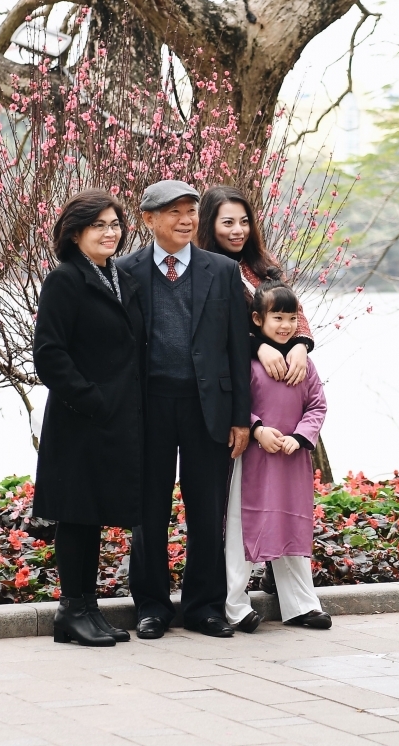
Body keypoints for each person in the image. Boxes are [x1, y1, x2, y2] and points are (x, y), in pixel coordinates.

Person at [116, 180, 251, 640]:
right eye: (173, 211)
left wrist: (241, 418)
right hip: (148, 407)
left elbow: (238, 349)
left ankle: (204, 607)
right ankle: (151, 607)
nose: (186, 219)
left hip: (206, 407)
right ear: (149, 220)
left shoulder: (222, 271)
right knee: (147, 511)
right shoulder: (124, 271)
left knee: (207, 510)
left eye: (191, 210)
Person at [32, 189, 145, 647]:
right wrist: (94, 401)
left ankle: (88, 608)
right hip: (80, 420)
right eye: (99, 225)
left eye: (115, 224)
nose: (110, 232)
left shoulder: (115, 276)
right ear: (76, 232)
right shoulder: (65, 279)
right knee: (76, 517)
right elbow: (49, 355)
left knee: (93, 516)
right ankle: (71, 610)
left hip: (112, 422)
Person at [225, 272, 331, 630]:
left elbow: (317, 406)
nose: (285, 326)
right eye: (277, 318)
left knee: (291, 524)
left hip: (291, 460)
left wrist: (300, 438)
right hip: (253, 459)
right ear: (257, 319)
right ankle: (235, 604)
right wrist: (257, 429)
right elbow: (236, 400)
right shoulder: (250, 362)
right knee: (243, 527)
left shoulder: (304, 365)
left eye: (290, 318)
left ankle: (301, 603)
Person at [197, 185, 314, 386]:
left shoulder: (265, 262)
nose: (238, 230)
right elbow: (214, 330)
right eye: (228, 223)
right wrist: (257, 347)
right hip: (238, 379)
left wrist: (301, 344)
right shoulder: (200, 270)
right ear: (209, 225)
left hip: (284, 375)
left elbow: (292, 306)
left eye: (244, 222)